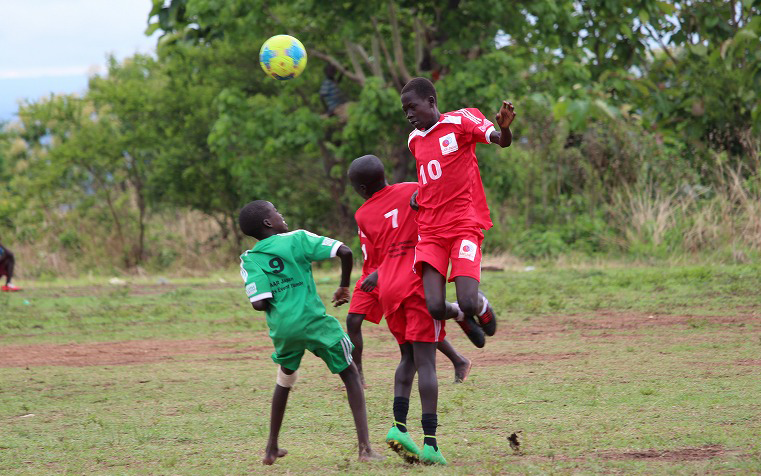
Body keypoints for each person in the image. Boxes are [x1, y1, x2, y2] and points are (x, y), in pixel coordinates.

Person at [238, 200, 383, 465]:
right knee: (350, 373)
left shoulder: (251, 259)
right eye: (277, 213)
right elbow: (346, 251)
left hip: (283, 329)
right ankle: (365, 449)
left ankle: (271, 447)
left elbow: (259, 303)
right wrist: (343, 286)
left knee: (285, 379)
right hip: (313, 321)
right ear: (269, 223)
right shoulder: (298, 239)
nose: (282, 216)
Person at [348, 155, 451, 465]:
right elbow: (435, 207)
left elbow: (375, 255)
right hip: (418, 283)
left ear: (362, 188)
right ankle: (430, 443)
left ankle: (399, 427)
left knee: (407, 358)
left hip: (388, 288)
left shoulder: (363, 214)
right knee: (427, 362)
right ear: (385, 175)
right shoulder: (412, 189)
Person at [400, 77, 515, 347]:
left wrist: (505, 129)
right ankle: (461, 316)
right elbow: (430, 175)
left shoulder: (461, 121)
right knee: (436, 307)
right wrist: (421, 194)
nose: (409, 115)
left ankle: (478, 304)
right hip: (430, 231)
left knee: (467, 299)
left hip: (463, 224)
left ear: (431, 102)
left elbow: (502, 141)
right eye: (405, 110)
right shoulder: (413, 140)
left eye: (412, 107)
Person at [347, 191, 472, 386]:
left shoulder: (402, 199)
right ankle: (358, 376)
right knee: (353, 319)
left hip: (391, 273)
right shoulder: (364, 213)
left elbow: (400, 246)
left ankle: (458, 356)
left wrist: (380, 272)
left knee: (416, 327)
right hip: (370, 275)